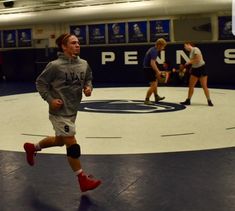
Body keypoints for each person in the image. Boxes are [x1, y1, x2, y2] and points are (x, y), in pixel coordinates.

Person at [23, 33, 101, 192]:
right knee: (72, 145)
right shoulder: (55, 66)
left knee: (60, 140)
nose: (77, 45)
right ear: (64, 47)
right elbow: (40, 83)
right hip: (58, 112)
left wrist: (88, 88)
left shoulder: (84, 64)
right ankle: (82, 179)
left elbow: (88, 78)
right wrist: (50, 99)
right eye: (73, 43)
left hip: (72, 111)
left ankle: (33, 147)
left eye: (78, 42)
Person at [180, 42, 213, 106]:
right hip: (195, 69)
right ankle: (188, 100)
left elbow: (198, 59)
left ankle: (209, 100)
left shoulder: (195, 49)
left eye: (185, 46)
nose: (184, 48)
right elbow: (194, 62)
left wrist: (189, 62)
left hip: (201, 69)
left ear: (188, 44)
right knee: (191, 85)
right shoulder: (191, 52)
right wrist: (192, 68)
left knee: (204, 86)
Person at [143, 38, 167, 104]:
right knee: (153, 85)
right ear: (159, 45)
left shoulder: (152, 49)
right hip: (148, 69)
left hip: (148, 68)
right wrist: (158, 71)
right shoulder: (154, 51)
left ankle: (156, 96)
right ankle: (147, 99)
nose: (163, 48)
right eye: (163, 46)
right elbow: (152, 63)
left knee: (155, 82)